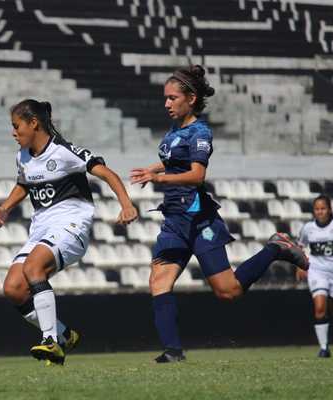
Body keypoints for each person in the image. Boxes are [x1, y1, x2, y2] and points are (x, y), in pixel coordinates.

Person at [129, 65, 309, 363]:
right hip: (174, 221)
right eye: (166, 98)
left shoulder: (201, 132)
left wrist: (160, 179)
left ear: (191, 98)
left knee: (229, 291)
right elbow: (175, 159)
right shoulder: (176, 131)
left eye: (173, 98)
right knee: (158, 282)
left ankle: (276, 247)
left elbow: (197, 175)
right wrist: (154, 168)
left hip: (199, 220)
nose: (167, 103)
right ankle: (173, 352)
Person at [0, 99, 138, 365]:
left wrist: (126, 205)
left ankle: (51, 342)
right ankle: (64, 335)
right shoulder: (22, 156)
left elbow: (108, 174)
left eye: (16, 126)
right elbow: (24, 184)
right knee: (13, 288)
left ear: (34, 123)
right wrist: (4, 208)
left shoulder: (63, 151)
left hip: (72, 226)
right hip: (42, 229)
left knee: (33, 268)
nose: (13, 132)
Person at [297, 194, 333, 358]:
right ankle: (324, 348)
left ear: (330, 210)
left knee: (328, 309)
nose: (320, 212)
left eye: (323, 208)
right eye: (317, 209)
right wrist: (301, 265)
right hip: (317, 271)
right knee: (319, 307)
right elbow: (300, 246)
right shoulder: (308, 228)